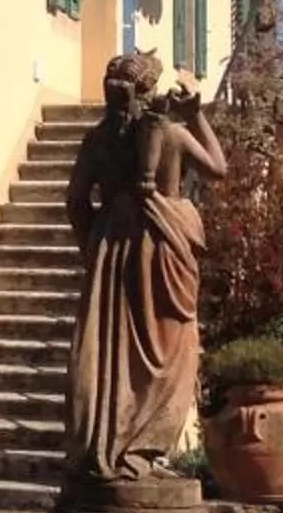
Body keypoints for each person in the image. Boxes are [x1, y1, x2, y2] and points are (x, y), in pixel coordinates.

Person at [64, 50, 229, 482]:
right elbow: (218, 168)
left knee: (108, 350)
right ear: (149, 90)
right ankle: (140, 451)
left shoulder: (97, 141)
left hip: (113, 247)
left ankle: (109, 445)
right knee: (172, 349)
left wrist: (94, 244)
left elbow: (75, 201)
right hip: (163, 245)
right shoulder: (172, 134)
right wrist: (197, 117)